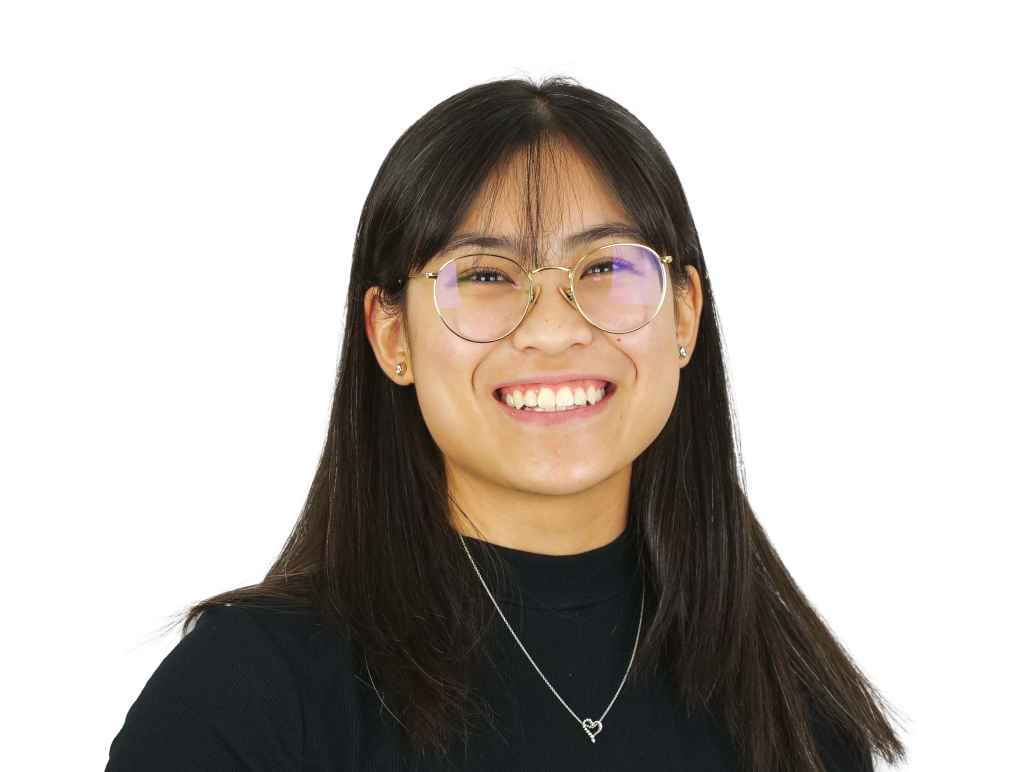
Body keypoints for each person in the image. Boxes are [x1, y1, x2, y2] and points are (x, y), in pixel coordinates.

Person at [106, 76, 907, 771]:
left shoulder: (793, 709)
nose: (552, 328)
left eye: (604, 268)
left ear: (685, 315)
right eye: (485, 275)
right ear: (392, 336)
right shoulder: (248, 694)